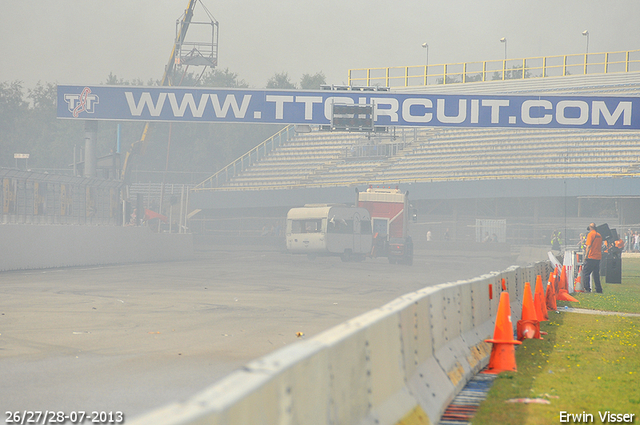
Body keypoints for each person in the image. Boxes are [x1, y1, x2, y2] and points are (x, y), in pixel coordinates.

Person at [582, 222, 603, 293]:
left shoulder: (590, 234)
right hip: (598, 257)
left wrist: (586, 255)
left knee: (586, 273)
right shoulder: (599, 235)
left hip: (591, 256)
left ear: (590, 227)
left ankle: (587, 289)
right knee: (596, 274)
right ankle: (599, 289)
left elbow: (588, 246)